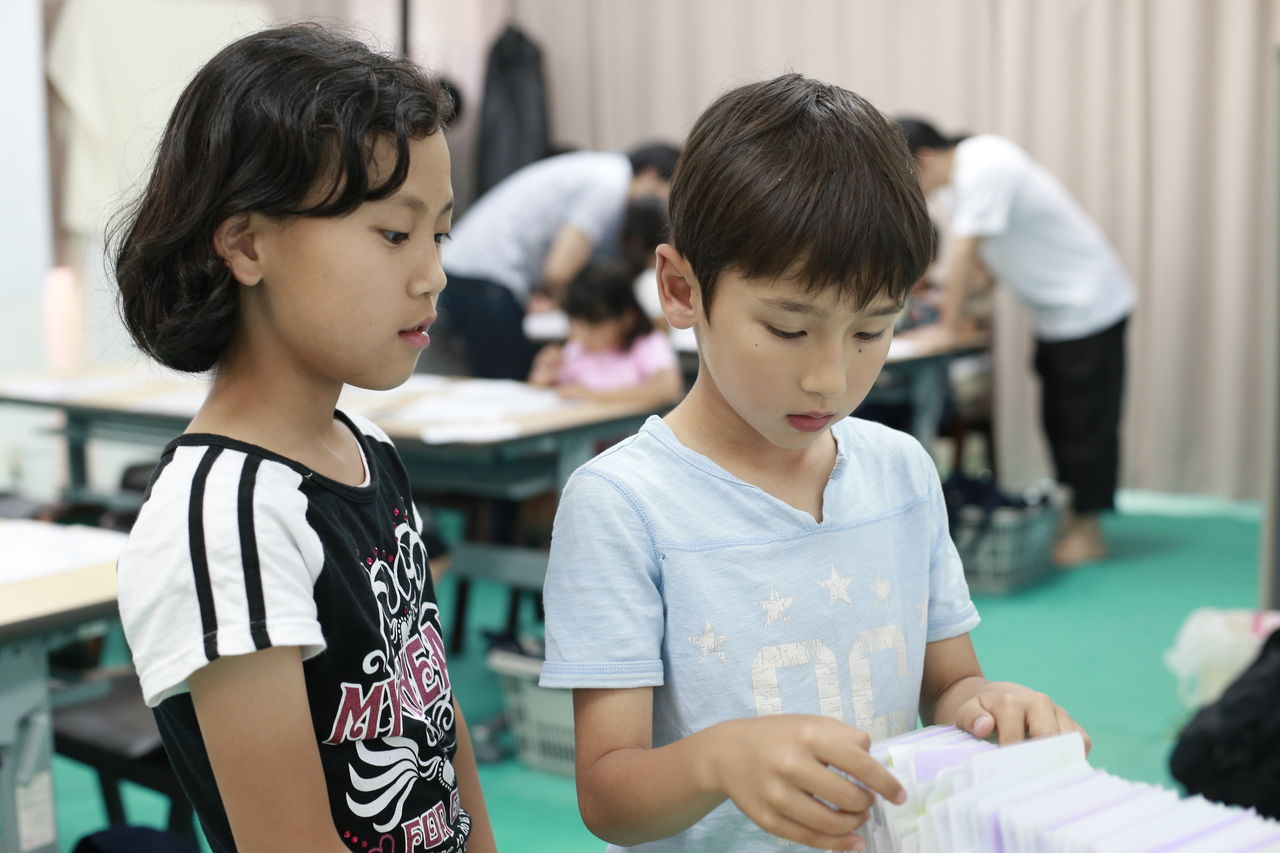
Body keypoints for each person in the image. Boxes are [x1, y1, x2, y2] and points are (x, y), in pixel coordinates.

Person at [539, 74, 1090, 853]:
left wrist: (988, 705)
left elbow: (948, 685)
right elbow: (608, 793)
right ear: (681, 289)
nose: (829, 378)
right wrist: (716, 759)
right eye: (789, 330)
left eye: (871, 331)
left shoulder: (902, 471)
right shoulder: (623, 503)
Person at [109, 24, 495, 853]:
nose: (432, 274)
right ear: (247, 243)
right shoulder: (226, 521)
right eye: (394, 234)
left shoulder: (366, 447)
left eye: (439, 234)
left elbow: (433, 708)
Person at [897, 117, 1135, 567]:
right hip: (1057, 315)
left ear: (922, 160)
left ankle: (1089, 530)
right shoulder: (961, 185)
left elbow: (964, 253)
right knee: (1059, 421)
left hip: (1090, 306)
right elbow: (984, 265)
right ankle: (1075, 516)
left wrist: (947, 328)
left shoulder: (985, 164)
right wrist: (956, 308)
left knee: (1086, 424)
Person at [434, 142, 681, 380]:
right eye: (670, 190)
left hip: (466, 265)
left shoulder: (602, 172)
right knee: (507, 382)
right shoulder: (610, 183)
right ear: (650, 174)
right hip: (488, 271)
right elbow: (559, 270)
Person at [527, 262, 683, 405]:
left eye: (594, 325)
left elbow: (668, 389)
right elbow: (553, 393)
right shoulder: (577, 349)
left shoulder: (647, 343)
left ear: (627, 318)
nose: (582, 334)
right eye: (575, 322)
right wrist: (543, 379)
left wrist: (596, 396)